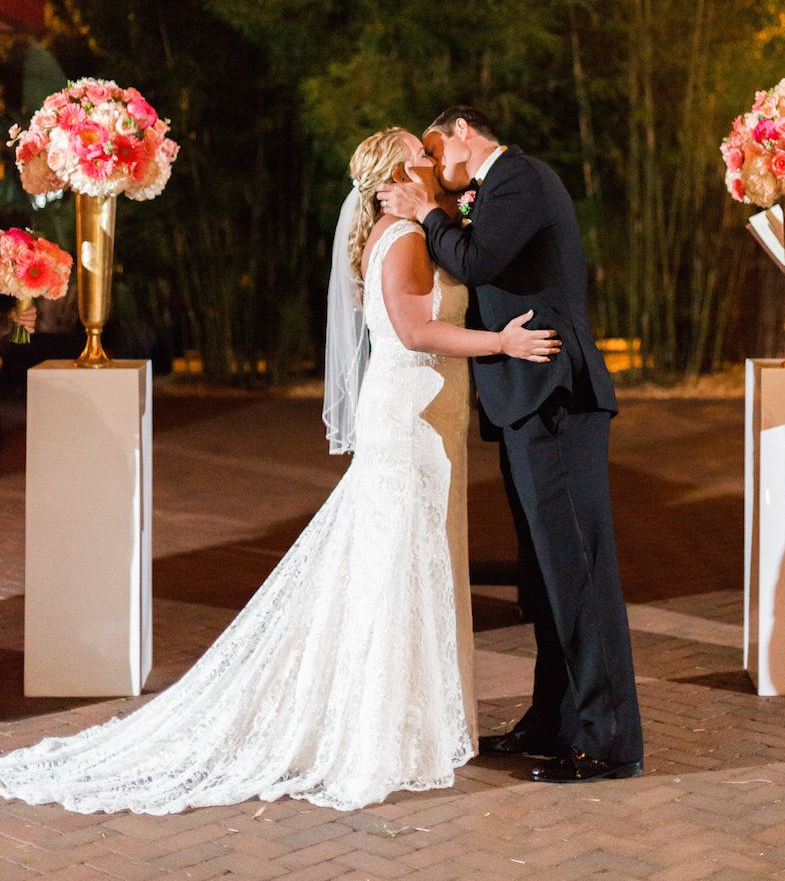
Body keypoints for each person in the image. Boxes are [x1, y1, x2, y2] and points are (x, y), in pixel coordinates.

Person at [0, 127, 559, 815]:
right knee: (400, 563)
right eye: (420, 149)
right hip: (412, 414)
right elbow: (415, 329)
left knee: (410, 561)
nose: (433, 153)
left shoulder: (408, 228)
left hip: (423, 410)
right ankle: (391, 727)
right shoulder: (406, 236)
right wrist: (500, 341)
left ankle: (411, 717)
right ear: (394, 172)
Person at [379, 106, 643, 784]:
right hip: (527, 403)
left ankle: (608, 740)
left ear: (464, 129)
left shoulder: (517, 177)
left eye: (438, 151)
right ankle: (553, 719)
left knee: (578, 573)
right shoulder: (493, 193)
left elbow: (478, 257)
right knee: (546, 575)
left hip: (555, 395)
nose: (436, 168)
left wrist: (429, 211)